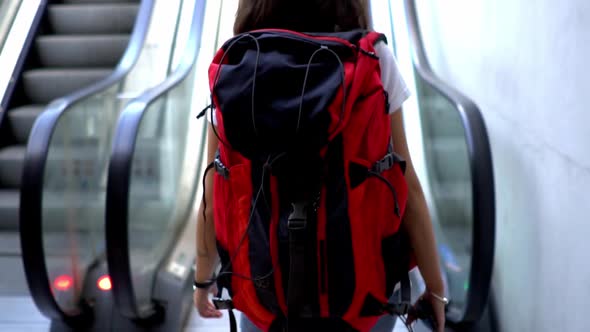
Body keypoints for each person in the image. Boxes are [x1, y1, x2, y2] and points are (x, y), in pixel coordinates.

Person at [194, 1, 447, 331]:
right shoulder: (372, 58)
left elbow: (213, 196)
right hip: (361, 294)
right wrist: (436, 289)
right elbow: (408, 186)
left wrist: (202, 282)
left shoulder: (237, 65)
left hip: (266, 290)